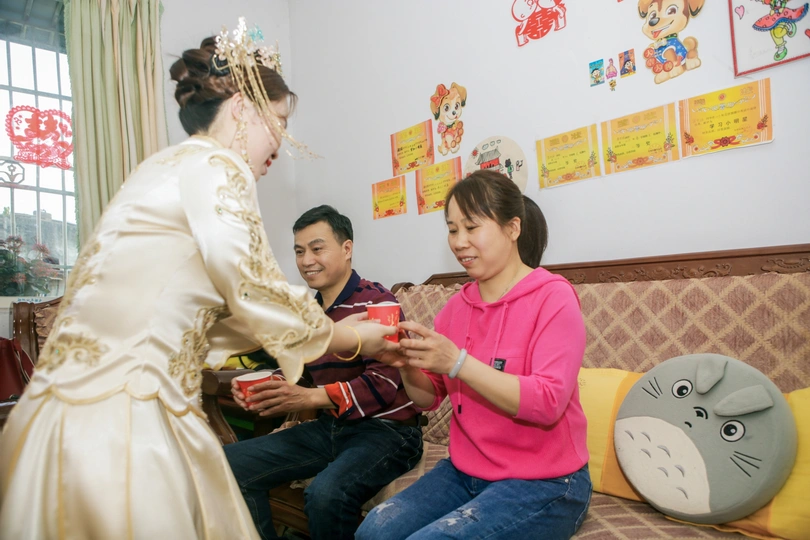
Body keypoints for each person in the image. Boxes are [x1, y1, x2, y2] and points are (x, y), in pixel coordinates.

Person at [0, 19, 396, 540]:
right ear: (241, 109)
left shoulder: (167, 166)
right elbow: (253, 289)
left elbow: (213, 308)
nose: (281, 143)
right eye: (279, 121)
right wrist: (353, 338)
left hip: (79, 409)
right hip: (127, 412)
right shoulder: (217, 166)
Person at [357, 170, 592, 540]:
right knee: (373, 531)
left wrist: (458, 363)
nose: (459, 242)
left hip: (547, 482)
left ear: (513, 228)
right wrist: (404, 365)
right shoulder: (455, 309)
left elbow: (548, 403)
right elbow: (427, 399)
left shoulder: (553, 297)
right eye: (452, 229)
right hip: (466, 471)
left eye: (471, 227)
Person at [225, 204, 423, 540]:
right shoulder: (308, 313)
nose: (306, 260)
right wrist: (269, 386)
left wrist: (308, 398)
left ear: (347, 249)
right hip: (330, 427)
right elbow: (302, 369)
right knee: (227, 465)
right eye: (299, 251)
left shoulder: (377, 303)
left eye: (317, 249)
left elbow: (383, 384)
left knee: (326, 495)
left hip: (387, 431)